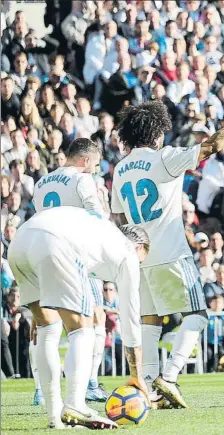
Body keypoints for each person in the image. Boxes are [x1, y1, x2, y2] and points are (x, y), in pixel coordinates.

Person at [111, 93, 224, 408]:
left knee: (150, 322)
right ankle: (169, 377)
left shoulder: (121, 169)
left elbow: (119, 218)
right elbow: (213, 146)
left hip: (138, 257)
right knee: (197, 315)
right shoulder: (165, 157)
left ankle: (151, 393)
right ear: (156, 132)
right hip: (171, 252)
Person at [8, 206, 149, 429]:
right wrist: (137, 374)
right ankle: (75, 403)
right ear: (140, 247)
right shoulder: (128, 253)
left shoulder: (101, 234)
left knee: (48, 328)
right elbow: (131, 317)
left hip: (20, 241)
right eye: (143, 260)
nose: (139, 265)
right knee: (84, 326)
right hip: (54, 243)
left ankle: (55, 415)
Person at [32, 138, 110, 404]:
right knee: (94, 320)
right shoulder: (82, 179)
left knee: (47, 326)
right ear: (85, 160)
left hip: (42, 255)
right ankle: (89, 384)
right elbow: (98, 219)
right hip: (76, 257)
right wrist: (105, 203)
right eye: (96, 164)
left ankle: (42, 391)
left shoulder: (41, 183)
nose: (96, 170)